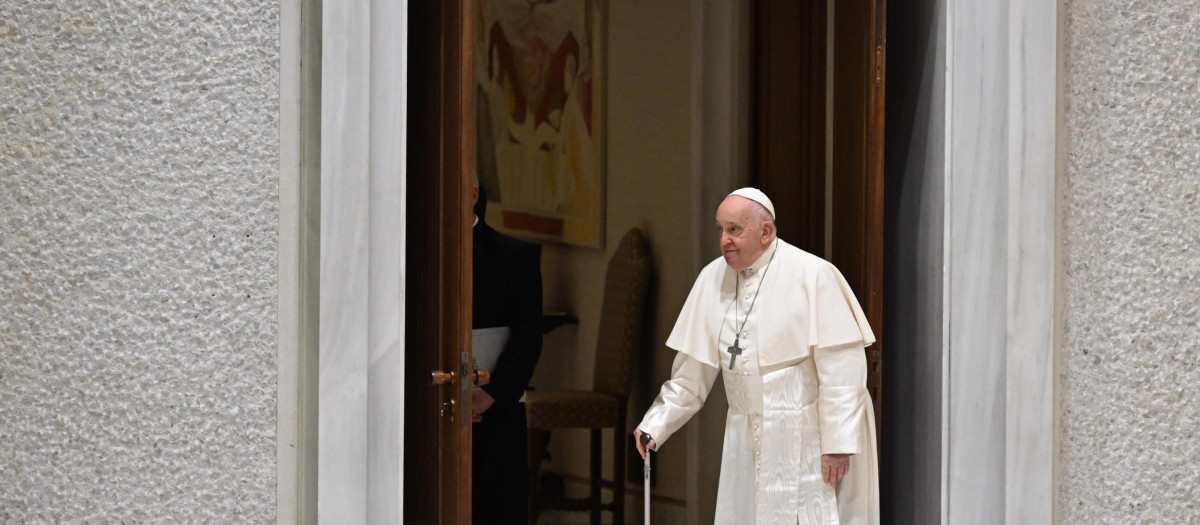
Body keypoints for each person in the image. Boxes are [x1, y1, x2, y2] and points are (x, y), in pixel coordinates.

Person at [633, 188, 879, 524]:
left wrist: (837, 444)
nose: (724, 240)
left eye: (734, 229)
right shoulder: (711, 279)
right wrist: (656, 425)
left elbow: (843, 371)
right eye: (720, 229)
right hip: (745, 435)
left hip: (807, 436)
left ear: (766, 232)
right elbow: (691, 375)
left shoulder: (814, 275)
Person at [470, 177, 543, 524]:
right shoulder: (409, 250)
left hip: (496, 409)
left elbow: (528, 336)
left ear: (472, 195)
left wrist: (489, 394)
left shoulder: (514, 256)